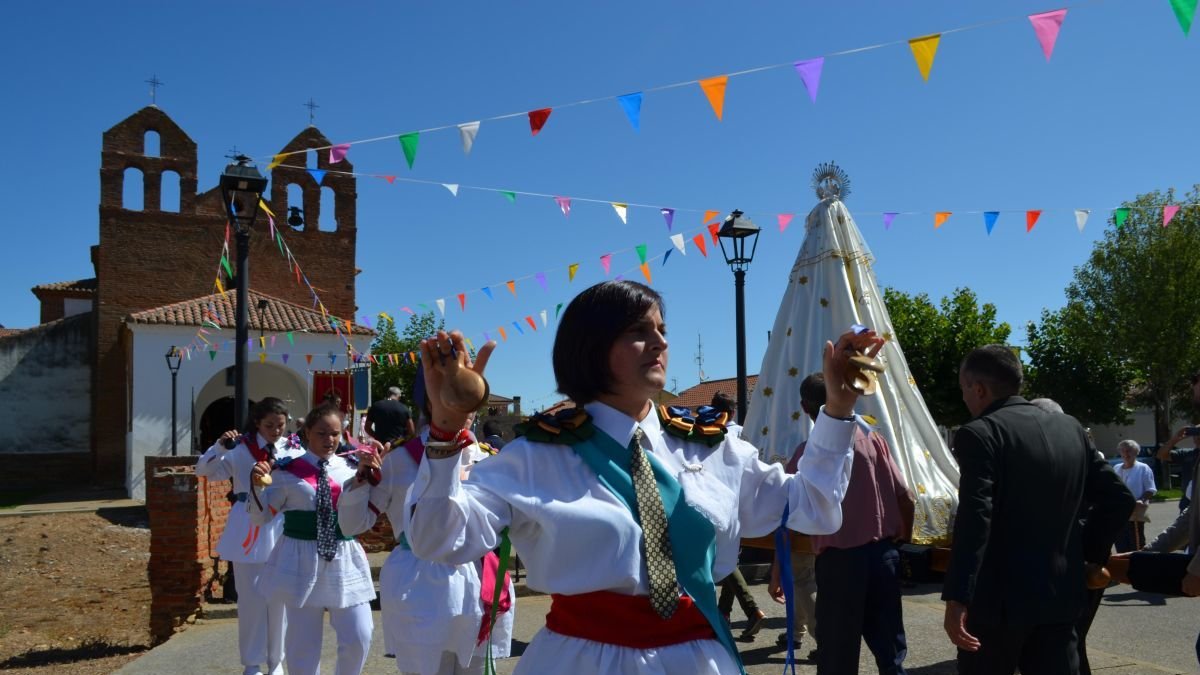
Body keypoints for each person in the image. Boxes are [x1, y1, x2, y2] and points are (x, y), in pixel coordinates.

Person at [403, 280, 881, 675]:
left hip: (700, 660)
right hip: (581, 661)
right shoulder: (537, 454)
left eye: (662, 329)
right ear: (590, 348)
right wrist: (445, 432)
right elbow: (437, 540)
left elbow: (815, 508)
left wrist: (838, 411)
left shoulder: (713, 446)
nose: (660, 342)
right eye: (638, 331)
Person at [943, 345, 1134, 675]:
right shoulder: (1070, 428)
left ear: (978, 388)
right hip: (1062, 594)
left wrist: (957, 596)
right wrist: (1089, 555)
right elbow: (1119, 499)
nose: (964, 399)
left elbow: (977, 518)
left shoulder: (979, 433)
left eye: (963, 390)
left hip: (998, 605)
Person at [340, 388, 511, 675]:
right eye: (455, 396)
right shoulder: (399, 459)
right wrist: (360, 482)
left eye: (470, 402)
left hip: (482, 575)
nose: (464, 410)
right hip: (421, 581)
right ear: (433, 403)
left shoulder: (487, 458)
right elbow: (352, 525)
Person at [792, 372, 913, 674]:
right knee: (890, 651)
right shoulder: (873, 439)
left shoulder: (806, 455)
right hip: (882, 555)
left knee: (837, 655)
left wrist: (780, 568)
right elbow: (906, 496)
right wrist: (902, 539)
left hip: (839, 562)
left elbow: (789, 514)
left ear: (806, 408)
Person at [247, 403, 375, 675]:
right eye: (321, 433)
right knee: (302, 645)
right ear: (306, 433)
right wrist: (256, 486)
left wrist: (369, 472)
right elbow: (260, 518)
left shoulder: (352, 468)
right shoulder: (285, 472)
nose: (329, 440)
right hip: (300, 559)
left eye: (335, 434)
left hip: (344, 556)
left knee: (359, 634)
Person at [195, 397, 304, 675]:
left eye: (280, 425)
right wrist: (220, 446)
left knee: (279, 597)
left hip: (280, 521)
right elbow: (205, 470)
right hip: (248, 523)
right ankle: (252, 662)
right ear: (257, 423)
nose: (276, 431)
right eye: (269, 425)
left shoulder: (292, 448)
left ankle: (276, 661)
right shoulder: (241, 448)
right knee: (251, 597)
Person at [1113, 439, 1156, 552]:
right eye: (1123, 451)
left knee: (1136, 543)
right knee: (1120, 541)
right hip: (1118, 512)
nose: (1126, 454)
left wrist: (1142, 500)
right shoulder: (1116, 468)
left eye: (1129, 451)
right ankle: (1123, 566)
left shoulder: (1143, 468)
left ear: (1136, 452)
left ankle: (1138, 565)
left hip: (1135, 511)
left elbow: (1150, 489)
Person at [1156, 425, 1199, 512]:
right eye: (1196, 433)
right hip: (1188, 501)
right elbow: (1161, 455)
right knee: (1185, 525)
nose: (1198, 436)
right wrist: (1175, 439)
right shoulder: (1187, 454)